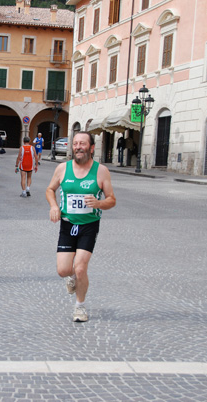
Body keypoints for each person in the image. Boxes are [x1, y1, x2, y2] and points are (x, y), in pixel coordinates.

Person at [45, 132, 116, 322]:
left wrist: (99, 203)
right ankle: (72, 277)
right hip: (67, 225)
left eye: (82, 144)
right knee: (63, 270)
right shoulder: (62, 169)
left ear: (91, 148)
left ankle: (80, 308)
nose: (78, 147)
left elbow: (111, 200)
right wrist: (54, 206)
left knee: (80, 268)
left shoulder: (101, 171)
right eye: (75, 143)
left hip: (89, 225)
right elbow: (50, 189)